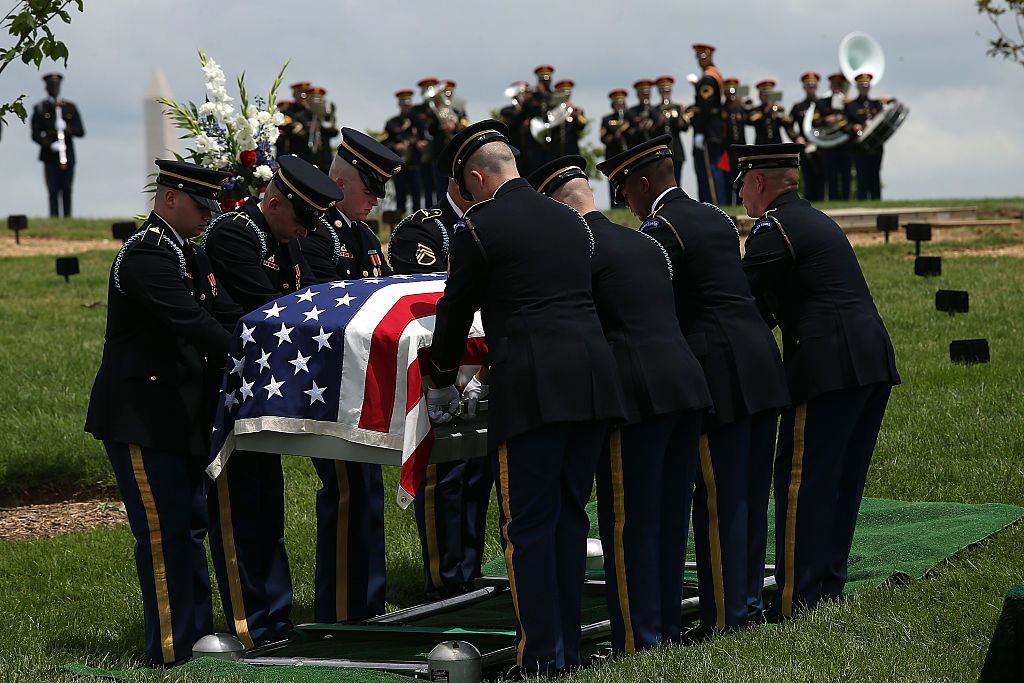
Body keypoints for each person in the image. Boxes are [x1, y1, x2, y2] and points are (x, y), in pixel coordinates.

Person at [427, 120, 625, 676]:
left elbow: (455, 310)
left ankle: (540, 658)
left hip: (533, 390)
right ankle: (567, 650)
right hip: (590, 382)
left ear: (474, 179)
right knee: (567, 517)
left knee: (529, 527)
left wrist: (440, 376)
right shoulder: (570, 221)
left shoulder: (480, 227)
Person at [598, 136, 789, 639]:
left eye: (625, 192)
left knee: (720, 500)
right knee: (749, 493)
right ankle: (744, 602)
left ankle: (727, 618)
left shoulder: (661, 231)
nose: (627, 205)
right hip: (759, 361)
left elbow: (656, 304)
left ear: (642, 184)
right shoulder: (717, 218)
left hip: (716, 369)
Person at [527, 155, 712, 654]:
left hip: (635, 397)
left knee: (628, 523)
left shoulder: (577, 250)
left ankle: (638, 639)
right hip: (685, 387)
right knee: (670, 517)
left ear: (554, 206)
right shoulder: (645, 242)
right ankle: (667, 628)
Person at [84, 160, 239, 667]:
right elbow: (192, 321)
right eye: (201, 205)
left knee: (188, 528)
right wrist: (246, 352)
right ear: (170, 198)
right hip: (142, 419)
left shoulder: (188, 253)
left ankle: (193, 640)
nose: (208, 215)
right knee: (165, 535)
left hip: (177, 416)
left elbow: (225, 311)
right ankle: (172, 652)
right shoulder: (147, 256)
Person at [735, 142, 899, 619]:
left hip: (828, 368)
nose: (740, 193)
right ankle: (826, 587)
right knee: (841, 481)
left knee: (801, 483)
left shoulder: (776, 227)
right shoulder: (812, 220)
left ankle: (795, 599)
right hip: (869, 362)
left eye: (742, 183)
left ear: (759, 182)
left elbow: (737, 296)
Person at [202, 154, 343, 647]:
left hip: (264, 392)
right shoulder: (235, 234)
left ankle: (275, 616)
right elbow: (271, 309)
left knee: (267, 508)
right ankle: (252, 623)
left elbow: (308, 298)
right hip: (230, 393)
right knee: (240, 514)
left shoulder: (286, 241)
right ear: (274, 201)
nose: (305, 233)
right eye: (301, 220)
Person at [298, 128, 403, 623]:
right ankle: (341, 610)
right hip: (331, 386)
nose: (378, 199)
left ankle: (366, 601)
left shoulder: (362, 236)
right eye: (371, 188)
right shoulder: (318, 234)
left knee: (366, 492)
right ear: (340, 180)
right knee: (347, 491)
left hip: (361, 386)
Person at [386, 178, 492, 600]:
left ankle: (468, 570)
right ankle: (441, 578)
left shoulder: (491, 223)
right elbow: (421, 299)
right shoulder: (425, 229)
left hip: (480, 363)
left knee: (477, 474)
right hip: (438, 370)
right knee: (443, 476)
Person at [30, 73, 85, 217]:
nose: (54, 89)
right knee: (53, 189)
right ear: (46, 88)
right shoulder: (40, 108)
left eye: (56, 86)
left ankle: (67, 216)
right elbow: (35, 134)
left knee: (67, 188)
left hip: (67, 154)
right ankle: (54, 216)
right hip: (50, 155)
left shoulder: (70, 107)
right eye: (51, 86)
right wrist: (47, 143)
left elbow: (80, 131)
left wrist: (67, 128)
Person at [690, 44, 729, 205]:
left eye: (702, 57)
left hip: (708, 130)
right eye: (698, 57)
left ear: (710, 57)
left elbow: (705, 108)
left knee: (709, 170)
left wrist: (699, 131)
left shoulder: (708, 79)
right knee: (712, 167)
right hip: (713, 129)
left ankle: (713, 203)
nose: (700, 60)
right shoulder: (711, 76)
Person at [845, 73, 886, 200]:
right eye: (862, 86)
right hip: (860, 147)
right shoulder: (851, 106)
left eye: (867, 85)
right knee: (861, 175)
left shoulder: (876, 104)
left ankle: (876, 200)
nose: (864, 88)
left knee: (875, 174)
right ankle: (862, 200)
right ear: (858, 87)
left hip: (875, 146)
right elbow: (845, 125)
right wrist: (853, 127)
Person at [383, 89, 422, 213]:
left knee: (417, 197)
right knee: (400, 197)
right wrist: (395, 146)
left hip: (416, 165)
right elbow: (383, 143)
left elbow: (426, 138)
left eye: (408, 104)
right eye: (404, 104)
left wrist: (420, 143)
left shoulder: (418, 122)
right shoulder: (392, 123)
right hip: (399, 167)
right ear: (399, 105)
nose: (406, 107)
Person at [789, 72, 826, 202]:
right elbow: (788, 125)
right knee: (808, 176)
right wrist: (796, 138)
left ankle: (822, 202)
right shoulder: (798, 107)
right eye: (808, 86)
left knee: (822, 176)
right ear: (804, 88)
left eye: (814, 86)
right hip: (805, 147)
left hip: (822, 147)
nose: (811, 88)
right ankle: (810, 202)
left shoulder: (823, 105)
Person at [819, 73, 853, 201]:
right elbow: (815, 122)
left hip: (845, 144)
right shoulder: (823, 102)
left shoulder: (849, 103)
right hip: (829, 144)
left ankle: (846, 199)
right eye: (834, 85)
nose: (837, 88)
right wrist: (826, 119)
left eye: (839, 85)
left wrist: (850, 106)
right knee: (831, 175)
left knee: (846, 174)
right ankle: (833, 199)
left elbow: (856, 120)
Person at [653, 76, 689, 186]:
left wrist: (676, 118)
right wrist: (660, 120)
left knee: (677, 180)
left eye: (667, 90)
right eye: (663, 90)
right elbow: (653, 130)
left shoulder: (678, 107)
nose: (665, 93)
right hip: (662, 149)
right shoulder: (655, 109)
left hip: (676, 149)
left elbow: (685, 127)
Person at [721, 78, 751, 205]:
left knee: (741, 179)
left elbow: (750, 118)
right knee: (728, 179)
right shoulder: (723, 109)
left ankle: (740, 203)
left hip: (740, 149)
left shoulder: (740, 108)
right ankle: (728, 203)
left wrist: (741, 105)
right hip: (727, 150)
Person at [600, 89, 631, 206]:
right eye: (617, 103)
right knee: (613, 181)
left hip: (627, 153)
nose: (620, 105)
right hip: (613, 154)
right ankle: (615, 205)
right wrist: (615, 136)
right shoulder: (607, 119)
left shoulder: (629, 117)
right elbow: (603, 138)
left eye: (622, 103)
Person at [543, 79, 587, 158]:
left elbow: (581, 127)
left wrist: (575, 115)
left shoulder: (576, 110)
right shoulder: (552, 111)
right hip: (555, 148)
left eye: (568, 93)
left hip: (571, 147)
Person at [303, 85, 339, 173]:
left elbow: (334, 132)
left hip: (325, 160)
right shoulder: (302, 115)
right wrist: (310, 129)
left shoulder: (326, 115)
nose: (317, 100)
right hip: (307, 157)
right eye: (314, 97)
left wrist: (322, 126)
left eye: (319, 98)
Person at [276, 82, 314, 163]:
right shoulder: (287, 111)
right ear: (294, 95)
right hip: (290, 151)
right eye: (300, 94)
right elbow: (282, 125)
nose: (303, 97)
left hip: (308, 155)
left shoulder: (311, 113)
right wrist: (295, 125)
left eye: (305, 94)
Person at [749, 80, 790, 145]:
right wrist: (766, 111)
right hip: (761, 146)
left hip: (777, 145)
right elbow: (750, 121)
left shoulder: (777, 109)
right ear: (760, 96)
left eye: (769, 94)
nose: (767, 97)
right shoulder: (756, 110)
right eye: (765, 94)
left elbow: (787, 123)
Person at [624, 79, 656, 148]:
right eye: (643, 94)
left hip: (654, 146)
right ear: (638, 95)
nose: (645, 96)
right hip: (637, 147)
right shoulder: (630, 112)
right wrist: (638, 128)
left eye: (647, 93)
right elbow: (626, 133)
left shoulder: (655, 109)